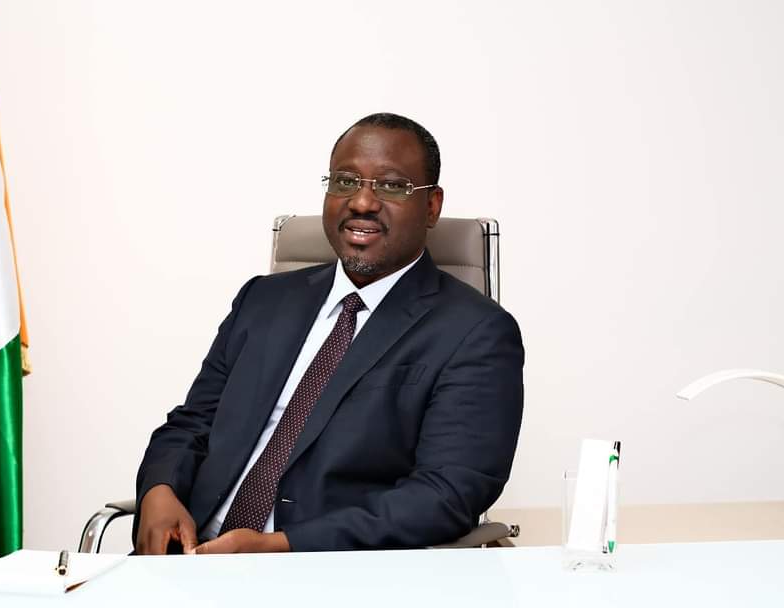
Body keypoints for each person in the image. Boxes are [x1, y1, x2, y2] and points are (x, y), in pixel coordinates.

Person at [134, 113, 524, 554]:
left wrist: (281, 546)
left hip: (326, 568)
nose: (362, 202)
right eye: (345, 181)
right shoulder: (263, 299)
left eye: (391, 186)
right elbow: (193, 423)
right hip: (190, 557)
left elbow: (444, 494)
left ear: (432, 206)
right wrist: (160, 491)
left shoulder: (476, 332)